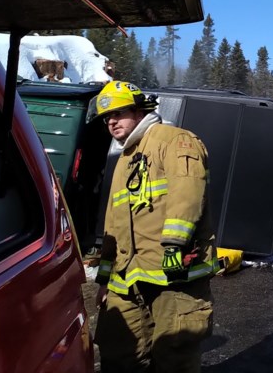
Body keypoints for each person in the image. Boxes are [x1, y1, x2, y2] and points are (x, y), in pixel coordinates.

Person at [93, 81, 218, 373]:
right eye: (106, 118)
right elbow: (115, 223)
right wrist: (104, 278)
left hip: (173, 273)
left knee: (173, 355)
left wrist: (174, 245)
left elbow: (188, 192)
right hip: (129, 275)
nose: (111, 121)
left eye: (119, 113)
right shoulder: (125, 158)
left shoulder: (174, 141)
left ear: (139, 111)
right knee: (118, 350)